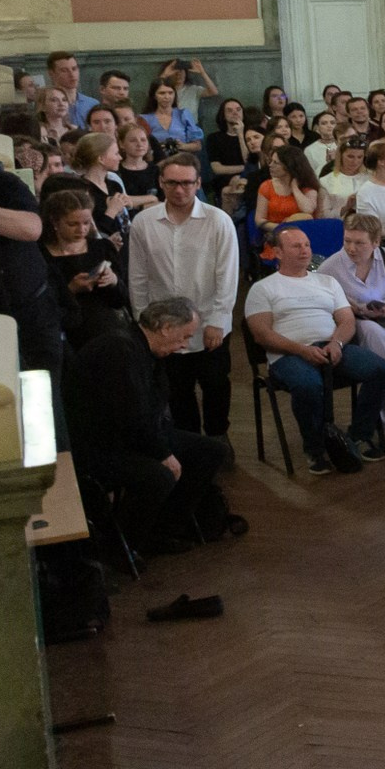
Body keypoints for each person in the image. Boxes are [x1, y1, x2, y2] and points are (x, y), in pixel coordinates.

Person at [68, 298, 240, 553]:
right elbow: (129, 417)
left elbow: (150, 410)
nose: (184, 345)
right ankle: (125, 545)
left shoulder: (146, 350)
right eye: (184, 337)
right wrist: (163, 454)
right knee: (158, 476)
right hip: (102, 445)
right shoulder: (118, 350)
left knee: (210, 451)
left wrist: (163, 447)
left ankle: (166, 528)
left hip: (133, 435)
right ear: (166, 327)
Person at [245, 223, 385, 474]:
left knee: (381, 370)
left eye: (307, 245)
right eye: (296, 246)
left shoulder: (327, 282)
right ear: (278, 253)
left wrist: (336, 343)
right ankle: (315, 449)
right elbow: (262, 334)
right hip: (288, 354)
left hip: (330, 346)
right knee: (308, 385)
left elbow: (347, 320)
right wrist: (301, 350)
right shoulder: (263, 288)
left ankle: (358, 435)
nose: (305, 250)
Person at [126, 153, 243, 439]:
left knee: (216, 384)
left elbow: (227, 275)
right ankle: (189, 441)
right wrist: (145, 324)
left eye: (187, 183)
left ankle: (218, 436)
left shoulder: (218, 221)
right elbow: (138, 277)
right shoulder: (144, 222)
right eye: (173, 183)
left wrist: (218, 318)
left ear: (198, 183)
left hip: (209, 320)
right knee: (177, 390)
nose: (180, 190)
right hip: (164, 327)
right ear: (161, 183)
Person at [320, 212, 385, 443]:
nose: (351, 248)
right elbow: (323, 307)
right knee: (373, 334)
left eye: (359, 243)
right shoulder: (330, 268)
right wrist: (352, 308)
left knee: (380, 337)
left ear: (376, 242)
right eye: (347, 241)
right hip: (350, 327)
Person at [42, 189, 131, 350]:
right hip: (66, 335)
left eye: (86, 223)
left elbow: (122, 298)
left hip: (107, 329)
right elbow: (43, 305)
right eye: (72, 224)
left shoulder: (102, 247)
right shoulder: (42, 255)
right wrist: (71, 289)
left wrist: (113, 280)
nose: (81, 230)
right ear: (55, 222)